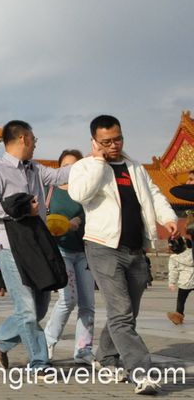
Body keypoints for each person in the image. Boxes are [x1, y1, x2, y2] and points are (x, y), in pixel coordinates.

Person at [69, 115, 178, 394]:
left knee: (127, 313)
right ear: (94, 141)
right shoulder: (84, 167)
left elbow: (154, 196)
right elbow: (80, 194)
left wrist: (167, 218)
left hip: (135, 249)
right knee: (122, 311)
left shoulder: (135, 167)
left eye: (117, 139)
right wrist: (97, 161)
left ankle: (105, 357)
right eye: (106, 141)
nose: (113, 145)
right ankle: (141, 372)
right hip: (102, 247)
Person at [0, 120, 72, 371]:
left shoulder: (35, 169)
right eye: (34, 139)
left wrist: (92, 162)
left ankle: (0, 337)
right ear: (23, 138)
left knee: (38, 309)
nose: (35, 144)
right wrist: (21, 210)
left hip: (37, 245)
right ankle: (40, 362)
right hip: (10, 247)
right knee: (27, 309)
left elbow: (59, 175)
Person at [43, 149, 95, 363]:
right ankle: (47, 341)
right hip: (60, 251)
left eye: (74, 166)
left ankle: (83, 350)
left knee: (88, 304)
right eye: (65, 165)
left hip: (84, 252)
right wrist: (65, 225)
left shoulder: (85, 192)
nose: (69, 170)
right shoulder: (49, 190)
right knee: (68, 299)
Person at [166, 230, 194, 325]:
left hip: (184, 282)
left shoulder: (173, 258)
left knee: (181, 300)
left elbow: (173, 271)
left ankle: (178, 316)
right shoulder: (192, 252)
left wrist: (172, 283)